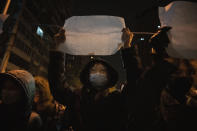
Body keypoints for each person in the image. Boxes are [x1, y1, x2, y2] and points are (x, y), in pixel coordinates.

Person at [48, 28, 141, 131]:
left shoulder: (117, 99)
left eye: (102, 71)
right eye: (93, 70)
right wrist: (59, 47)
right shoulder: (78, 98)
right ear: (87, 77)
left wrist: (127, 46)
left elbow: (134, 82)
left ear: (109, 77)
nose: (97, 73)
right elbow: (57, 85)